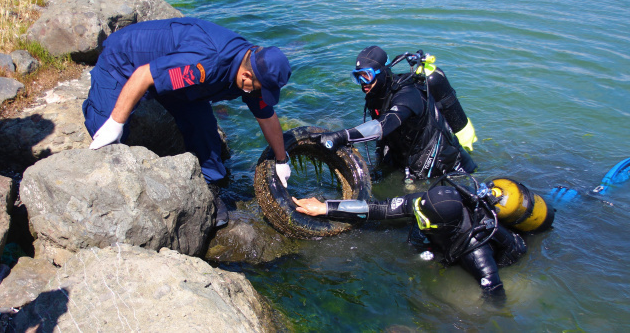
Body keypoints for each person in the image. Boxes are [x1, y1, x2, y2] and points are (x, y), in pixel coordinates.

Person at [82, 17, 293, 227]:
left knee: (204, 131)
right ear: (246, 75)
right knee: (105, 132)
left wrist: (281, 160)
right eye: (258, 89)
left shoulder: (253, 66)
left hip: (184, 83)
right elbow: (143, 75)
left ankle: (210, 186)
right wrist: (116, 122)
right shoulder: (207, 62)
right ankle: (97, 105)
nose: (257, 94)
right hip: (124, 60)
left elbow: (266, 116)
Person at [292, 174, 529, 301]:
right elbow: (379, 208)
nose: (417, 220)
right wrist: (326, 208)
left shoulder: (476, 253)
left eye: (423, 220)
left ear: (443, 225)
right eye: (417, 213)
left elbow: (496, 297)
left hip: (503, 253)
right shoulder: (425, 201)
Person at [310, 46, 477, 181]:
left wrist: (341, 136)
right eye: (358, 77)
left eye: (366, 76)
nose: (362, 83)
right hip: (407, 158)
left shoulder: (408, 95)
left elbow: (382, 126)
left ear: (382, 73)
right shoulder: (376, 95)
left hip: (449, 169)